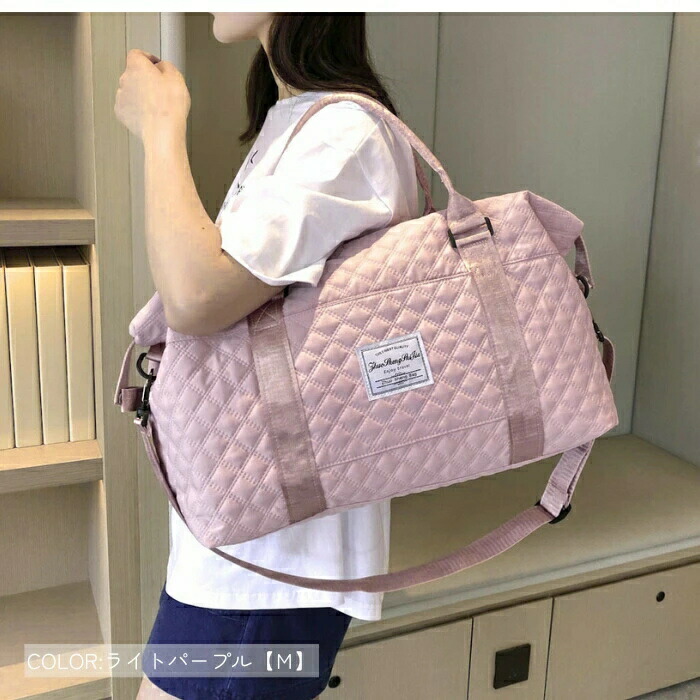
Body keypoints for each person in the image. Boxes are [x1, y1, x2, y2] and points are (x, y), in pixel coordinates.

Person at [115, 12, 420, 700]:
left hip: (269, 565)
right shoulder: (305, 122)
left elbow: (196, 296)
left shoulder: (344, 134)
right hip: (250, 543)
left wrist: (161, 128)